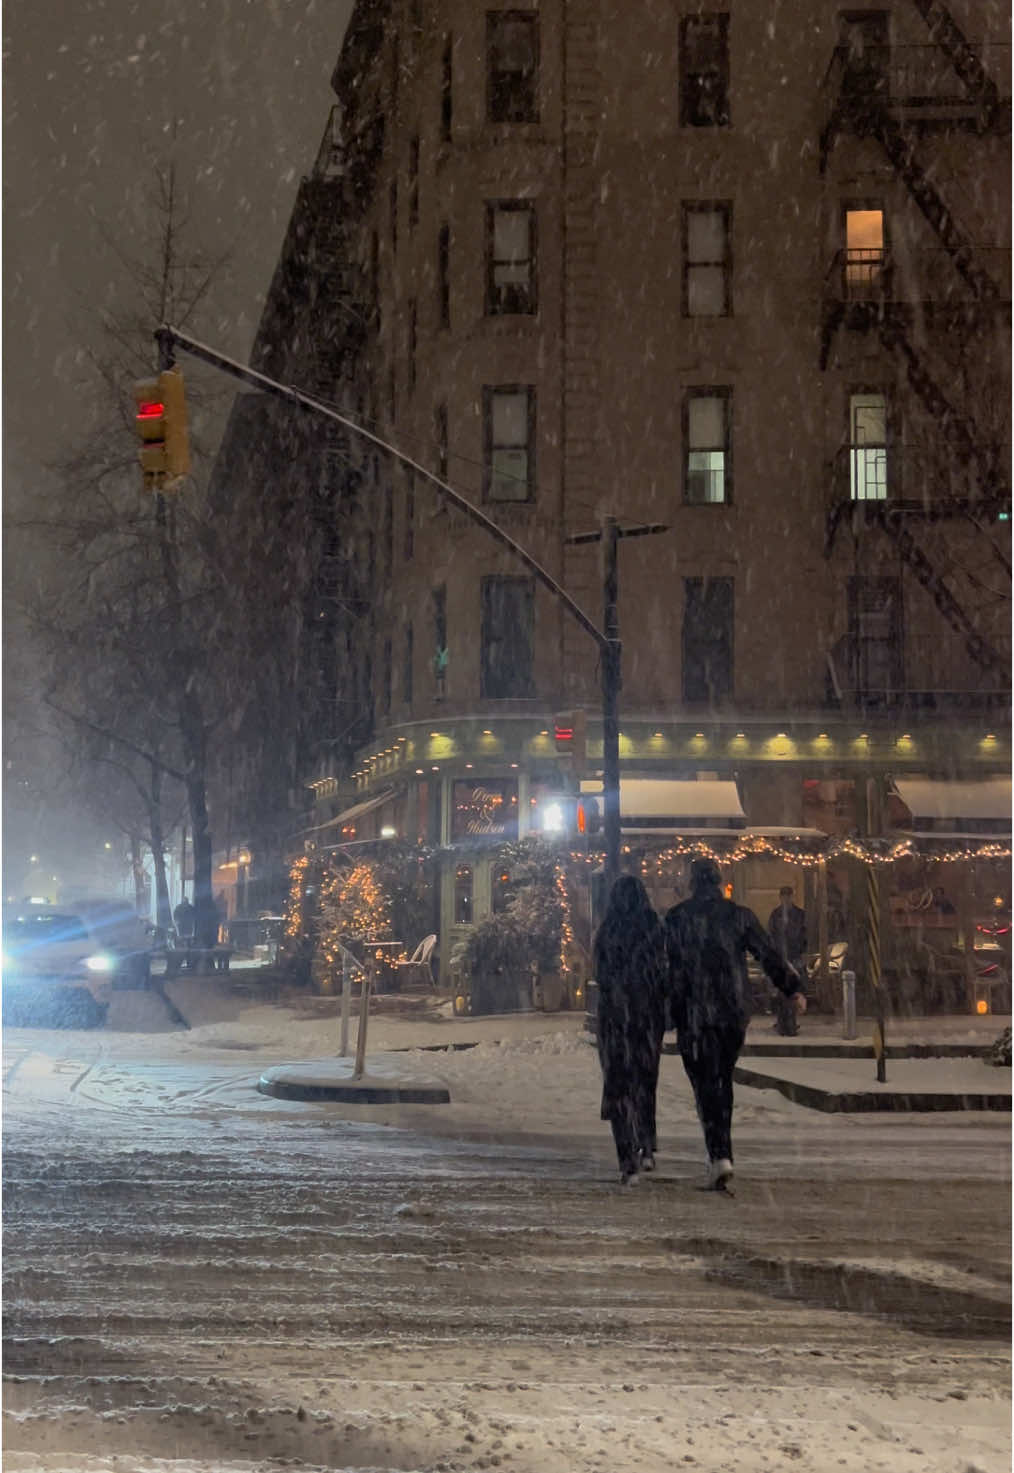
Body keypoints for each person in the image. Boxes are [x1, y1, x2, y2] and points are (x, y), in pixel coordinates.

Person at [665, 858, 804, 1191]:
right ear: (719, 881)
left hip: (694, 1012)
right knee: (722, 1079)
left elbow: (664, 966)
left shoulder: (677, 918)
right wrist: (791, 987)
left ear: (691, 882)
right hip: (731, 1011)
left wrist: (662, 1008)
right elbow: (767, 953)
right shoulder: (739, 916)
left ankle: (718, 1153)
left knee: (704, 1085)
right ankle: (721, 1152)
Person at [593, 874, 667, 1187]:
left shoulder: (608, 930)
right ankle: (646, 1144)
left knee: (618, 1085)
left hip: (615, 1018)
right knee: (645, 1082)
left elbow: (602, 974)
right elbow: (663, 969)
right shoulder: (653, 927)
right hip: (646, 1015)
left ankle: (627, 1159)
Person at [768, 885, 808, 1036]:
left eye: (788, 896)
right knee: (781, 991)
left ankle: (790, 1022)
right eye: (784, 896)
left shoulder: (799, 914)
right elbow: (771, 935)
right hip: (780, 956)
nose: (786, 899)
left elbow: (804, 935)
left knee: (793, 991)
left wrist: (802, 953)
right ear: (781, 897)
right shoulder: (776, 914)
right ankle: (783, 1021)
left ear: (792, 897)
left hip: (794, 956)